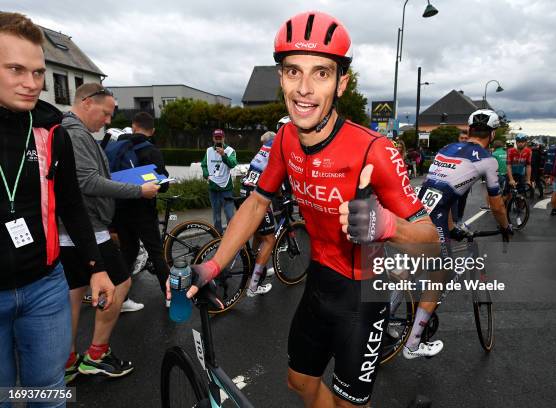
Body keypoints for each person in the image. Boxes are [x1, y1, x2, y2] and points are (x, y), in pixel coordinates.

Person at [171, 11, 438, 407]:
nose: (305, 89)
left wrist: (387, 226)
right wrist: (213, 264)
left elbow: (430, 241)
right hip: (319, 284)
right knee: (299, 383)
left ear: (341, 83)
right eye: (293, 72)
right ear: (280, 77)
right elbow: (257, 202)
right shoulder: (284, 140)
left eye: (322, 73)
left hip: (363, 296)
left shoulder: (373, 150)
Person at [0, 12, 114, 403]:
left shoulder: (52, 130)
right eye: (16, 69)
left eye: (38, 73)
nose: (32, 83)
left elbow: (72, 205)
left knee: (48, 392)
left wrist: (96, 267)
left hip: (44, 285)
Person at [59, 83, 160, 382]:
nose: (107, 121)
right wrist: (138, 189)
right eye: (105, 113)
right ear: (87, 102)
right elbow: (88, 182)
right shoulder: (76, 135)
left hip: (70, 231)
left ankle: (66, 363)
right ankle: (96, 354)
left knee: (73, 295)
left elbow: (89, 178)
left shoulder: (69, 131)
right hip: (89, 230)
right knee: (119, 283)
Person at [407, 109, 512, 359]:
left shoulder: (447, 149)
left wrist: (452, 227)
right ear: (493, 133)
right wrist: (506, 227)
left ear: (469, 129)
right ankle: (413, 344)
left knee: (412, 270)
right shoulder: (487, 160)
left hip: (415, 210)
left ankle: (391, 316)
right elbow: (496, 205)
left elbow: (446, 192)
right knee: (439, 279)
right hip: (435, 218)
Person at [113, 111, 172, 310]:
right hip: (143, 210)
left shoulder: (116, 147)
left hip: (119, 208)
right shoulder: (151, 150)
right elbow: (163, 184)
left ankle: (119, 298)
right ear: (152, 130)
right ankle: (169, 297)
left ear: (133, 126)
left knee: (128, 253)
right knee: (156, 251)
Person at [239, 130, 280, 297]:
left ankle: (256, 266)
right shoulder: (277, 148)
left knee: (258, 234)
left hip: (245, 191)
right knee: (270, 239)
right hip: (257, 196)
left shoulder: (264, 149)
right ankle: (253, 286)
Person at [201, 129, 237, 234]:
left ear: (223, 138)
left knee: (230, 215)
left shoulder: (230, 150)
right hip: (213, 188)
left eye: (220, 138)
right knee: (216, 217)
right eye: (216, 138)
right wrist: (206, 174)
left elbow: (233, 164)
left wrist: (223, 155)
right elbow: (204, 164)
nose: (218, 140)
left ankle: (231, 236)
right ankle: (217, 237)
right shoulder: (208, 151)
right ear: (213, 138)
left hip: (226, 188)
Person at [505, 133, 532, 200]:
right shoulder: (510, 151)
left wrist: (528, 180)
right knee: (506, 196)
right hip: (511, 174)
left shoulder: (528, 151)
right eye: (519, 142)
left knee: (522, 195)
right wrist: (511, 179)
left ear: (525, 142)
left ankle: (519, 209)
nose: (520, 143)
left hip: (520, 175)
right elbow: (508, 166)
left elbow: (528, 166)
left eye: (522, 142)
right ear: (516, 142)